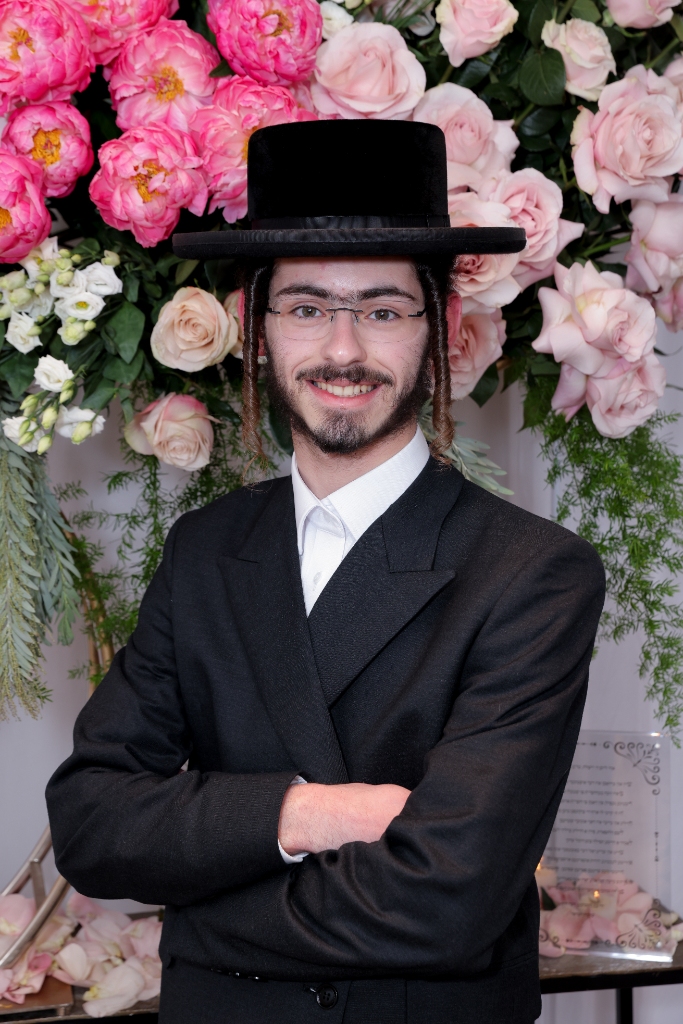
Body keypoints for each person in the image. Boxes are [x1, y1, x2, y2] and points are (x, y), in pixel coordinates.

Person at [46, 120, 605, 1024]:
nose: (342, 351)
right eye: (306, 308)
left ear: (441, 327)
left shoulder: (532, 572)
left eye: (381, 311)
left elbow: (445, 900)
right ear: (257, 326)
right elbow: (92, 824)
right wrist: (309, 815)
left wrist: (197, 913)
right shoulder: (205, 549)